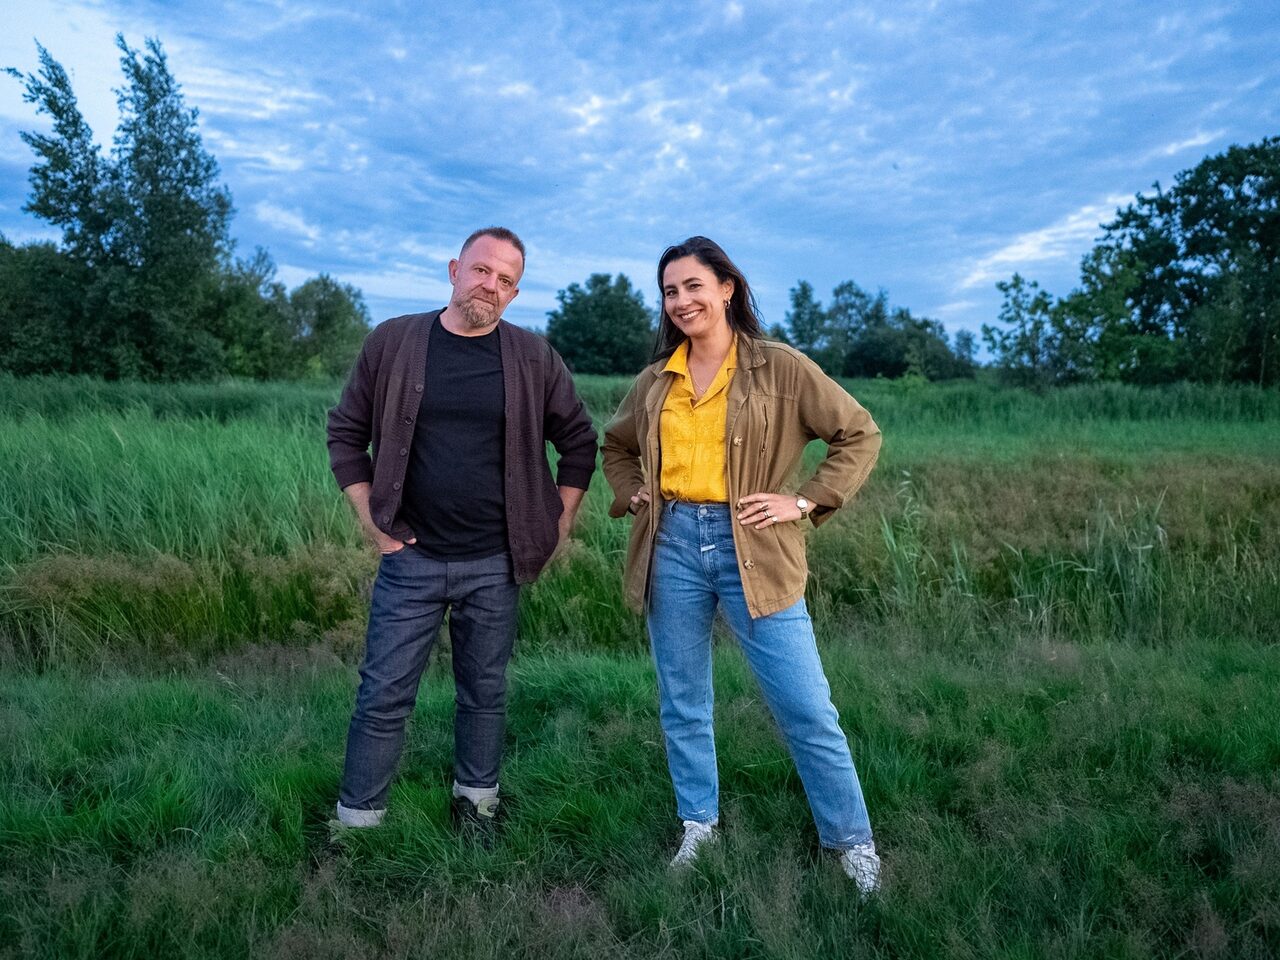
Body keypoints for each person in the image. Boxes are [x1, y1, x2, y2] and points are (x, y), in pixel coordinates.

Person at [602, 236, 883, 893]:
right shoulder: (657, 379)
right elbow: (615, 446)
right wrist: (632, 490)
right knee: (683, 701)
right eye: (670, 291)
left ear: (727, 288)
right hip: (671, 544)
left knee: (806, 706)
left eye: (693, 286)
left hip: (753, 546)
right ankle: (698, 825)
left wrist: (803, 500)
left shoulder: (779, 367)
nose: (681, 301)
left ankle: (851, 843)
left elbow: (858, 433)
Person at [326, 226, 597, 839]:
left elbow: (580, 443)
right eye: (481, 270)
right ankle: (357, 826)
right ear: (454, 270)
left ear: (515, 293)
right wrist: (371, 521)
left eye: (505, 280)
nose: (489, 285)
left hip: (496, 561)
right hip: (411, 557)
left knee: (484, 691)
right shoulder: (393, 342)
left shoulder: (533, 357)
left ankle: (477, 807)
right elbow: (345, 432)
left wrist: (558, 525)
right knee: (383, 692)